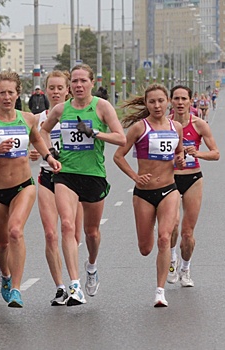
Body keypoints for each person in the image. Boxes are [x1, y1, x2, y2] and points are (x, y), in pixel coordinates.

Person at [0, 72, 61, 308]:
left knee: (16, 231)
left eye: (11, 92)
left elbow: (37, 139)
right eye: (2, 93)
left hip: (23, 186)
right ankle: (6, 275)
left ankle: (17, 289)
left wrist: (48, 157)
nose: (6, 97)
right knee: (1, 242)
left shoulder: (28, 119)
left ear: (18, 94)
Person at [40, 64, 125, 306]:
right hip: (66, 174)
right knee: (67, 225)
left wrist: (95, 133)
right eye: (74, 82)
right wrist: (50, 155)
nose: (78, 85)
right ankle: (75, 286)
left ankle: (91, 265)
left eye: (82, 81)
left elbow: (121, 137)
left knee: (92, 233)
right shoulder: (60, 109)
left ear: (91, 83)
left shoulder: (101, 107)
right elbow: (43, 132)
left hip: (93, 175)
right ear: (70, 86)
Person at [114, 84, 185, 307]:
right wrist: (135, 176)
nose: (157, 105)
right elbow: (118, 156)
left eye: (161, 101)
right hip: (144, 194)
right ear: (146, 104)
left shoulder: (176, 127)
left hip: (169, 189)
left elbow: (178, 152)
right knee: (145, 248)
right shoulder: (138, 128)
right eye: (152, 101)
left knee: (165, 238)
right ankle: (153, 225)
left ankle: (160, 292)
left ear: (168, 102)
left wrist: (180, 160)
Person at [31, 70, 83, 306]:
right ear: (45, 91)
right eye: (51, 88)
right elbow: (27, 150)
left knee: (73, 232)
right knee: (51, 234)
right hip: (48, 177)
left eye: (60, 88)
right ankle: (61, 287)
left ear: (67, 90)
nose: (55, 92)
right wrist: (35, 153)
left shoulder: (77, 114)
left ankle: (80, 276)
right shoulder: (37, 119)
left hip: (74, 179)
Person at [167, 85, 219, 288]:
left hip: (193, 178)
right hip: (169, 179)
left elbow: (215, 153)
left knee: (187, 233)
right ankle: (172, 260)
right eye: (176, 98)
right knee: (172, 226)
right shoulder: (164, 124)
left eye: (184, 99)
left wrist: (198, 154)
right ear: (171, 101)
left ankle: (185, 268)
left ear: (191, 101)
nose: (180, 102)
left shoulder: (199, 125)